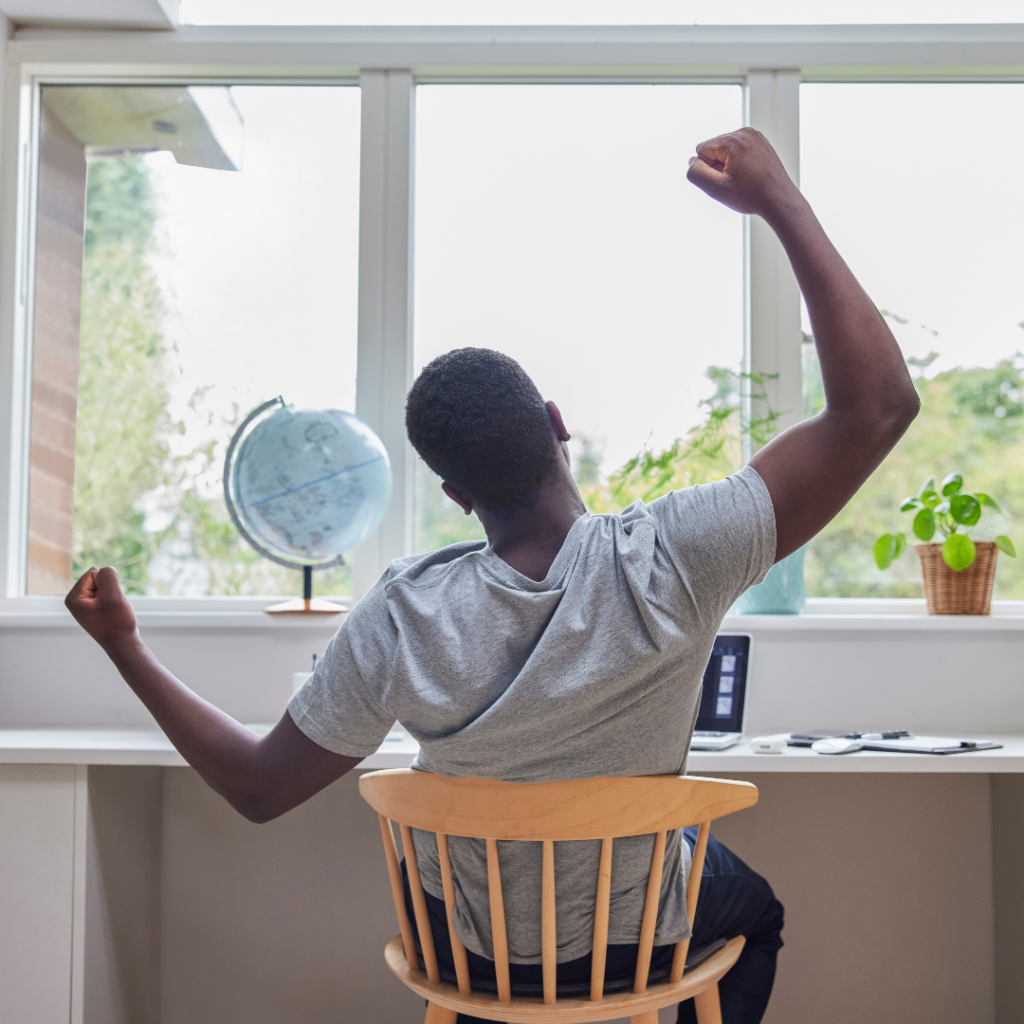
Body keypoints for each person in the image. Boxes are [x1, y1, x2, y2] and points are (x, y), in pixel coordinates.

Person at [65, 128, 919, 1024]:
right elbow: (879, 406)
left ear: (453, 490)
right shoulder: (674, 555)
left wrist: (125, 644)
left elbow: (258, 788)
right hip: (642, 940)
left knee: (499, 933)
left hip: (482, 961)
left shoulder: (400, 614)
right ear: (557, 422)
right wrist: (778, 199)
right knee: (758, 911)